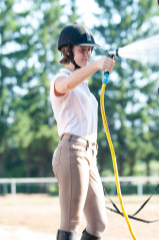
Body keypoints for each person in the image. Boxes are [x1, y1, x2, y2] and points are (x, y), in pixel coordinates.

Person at [50, 23, 115, 240]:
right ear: (67, 51)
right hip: (72, 151)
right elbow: (66, 85)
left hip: (89, 155)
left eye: (90, 50)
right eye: (82, 49)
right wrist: (96, 65)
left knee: (98, 223)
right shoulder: (60, 80)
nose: (88, 54)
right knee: (71, 222)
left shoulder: (84, 86)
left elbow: (76, 82)